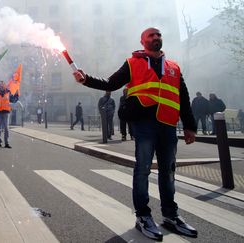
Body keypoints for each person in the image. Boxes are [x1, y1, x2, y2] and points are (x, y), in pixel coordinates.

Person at [72, 27, 198, 241]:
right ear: (143, 41)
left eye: (159, 35)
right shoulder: (132, 63)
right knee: (143, 169)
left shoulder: (174, 67)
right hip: (144, 124)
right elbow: (110, 83)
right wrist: (86, 79)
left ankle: (170, 215)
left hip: (167, 124)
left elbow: (183, 98)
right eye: (151, 35)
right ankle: (143, 216)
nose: (156, 37)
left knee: (168, 171)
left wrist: (190, 126)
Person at [0, 80, 18, 148]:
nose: (1, 86)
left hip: (6, 112)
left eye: (2, 84)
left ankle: (6, 143)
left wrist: (16, 94)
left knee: (6, 128)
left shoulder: (8, 92)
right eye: (0, 84)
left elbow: (13, 100)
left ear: (4, 85)